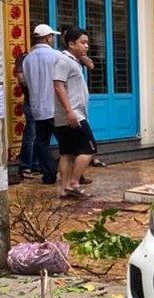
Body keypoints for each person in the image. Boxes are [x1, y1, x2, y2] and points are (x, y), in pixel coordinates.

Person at [52, 26, 97, 198]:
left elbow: (90, 64)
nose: (86, 46)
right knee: (89, 150)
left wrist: (82, 56)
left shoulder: (73, 60)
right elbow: (58, 86)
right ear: (71, 44)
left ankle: (64, 189)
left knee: (67, 153)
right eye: (82, 43)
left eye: (87, 43)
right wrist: (70, 111)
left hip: (68, 114)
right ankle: (74, 183)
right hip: (73, 114)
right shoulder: (64, 61)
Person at [21, 24, 60, 184]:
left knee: (41, 143)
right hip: (55, 107)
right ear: (48, 38)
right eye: (52, 37)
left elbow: (26, 82)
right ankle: (72, 175)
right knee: (66, 142)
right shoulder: (57, 56)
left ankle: (48, 175)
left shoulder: (28, 58)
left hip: (37, 107)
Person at [13, 50, 38, 178]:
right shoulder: (24, 58)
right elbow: (21, 79)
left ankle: (35, 164)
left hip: (42, 102)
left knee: (39, 134)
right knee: (31, 133)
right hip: (31, 101)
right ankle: (25, 166)